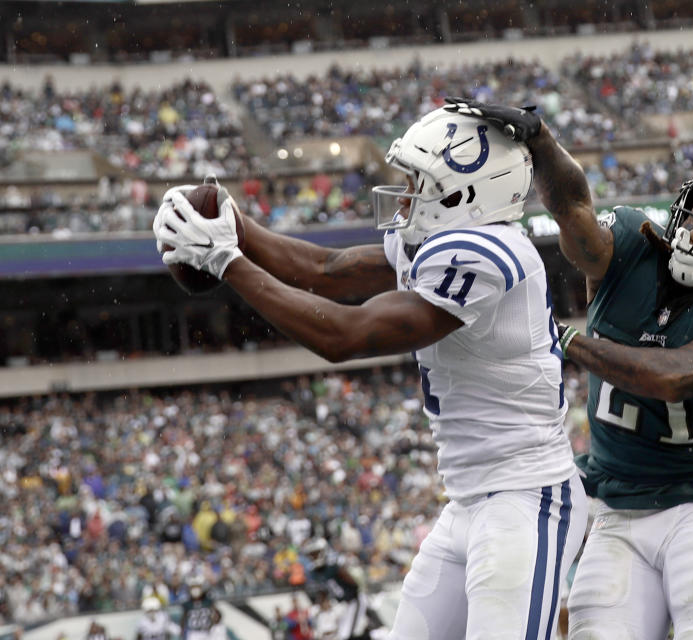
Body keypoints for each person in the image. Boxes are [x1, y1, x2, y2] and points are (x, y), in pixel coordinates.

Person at [153, 106, 588, 639]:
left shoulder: (488, 252)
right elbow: (325, 271)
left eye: (420, 184)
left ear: (467, 194)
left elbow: (345, 336)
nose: (405, 196)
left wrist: (228, 262)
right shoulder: (441, 238)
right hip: (469, 500)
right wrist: (236, 227)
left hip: (527, 498)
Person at [444, 98, 693, 639]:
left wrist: (568, 341)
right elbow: (573, 211)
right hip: (614, 505)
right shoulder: (634, 246)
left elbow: (673, 375)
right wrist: (541, 142)